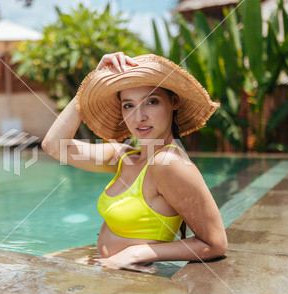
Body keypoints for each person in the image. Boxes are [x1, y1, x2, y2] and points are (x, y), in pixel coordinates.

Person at [42, 52, 227, 273]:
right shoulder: (125, 156)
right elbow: (54, 145)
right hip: (105, 269)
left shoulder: (167, 163)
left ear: (173, 101)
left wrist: (138, 253)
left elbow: (215, 244)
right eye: (128, 105)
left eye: (151, 101)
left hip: (131, 283)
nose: (139, 117)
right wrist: (94, 80)